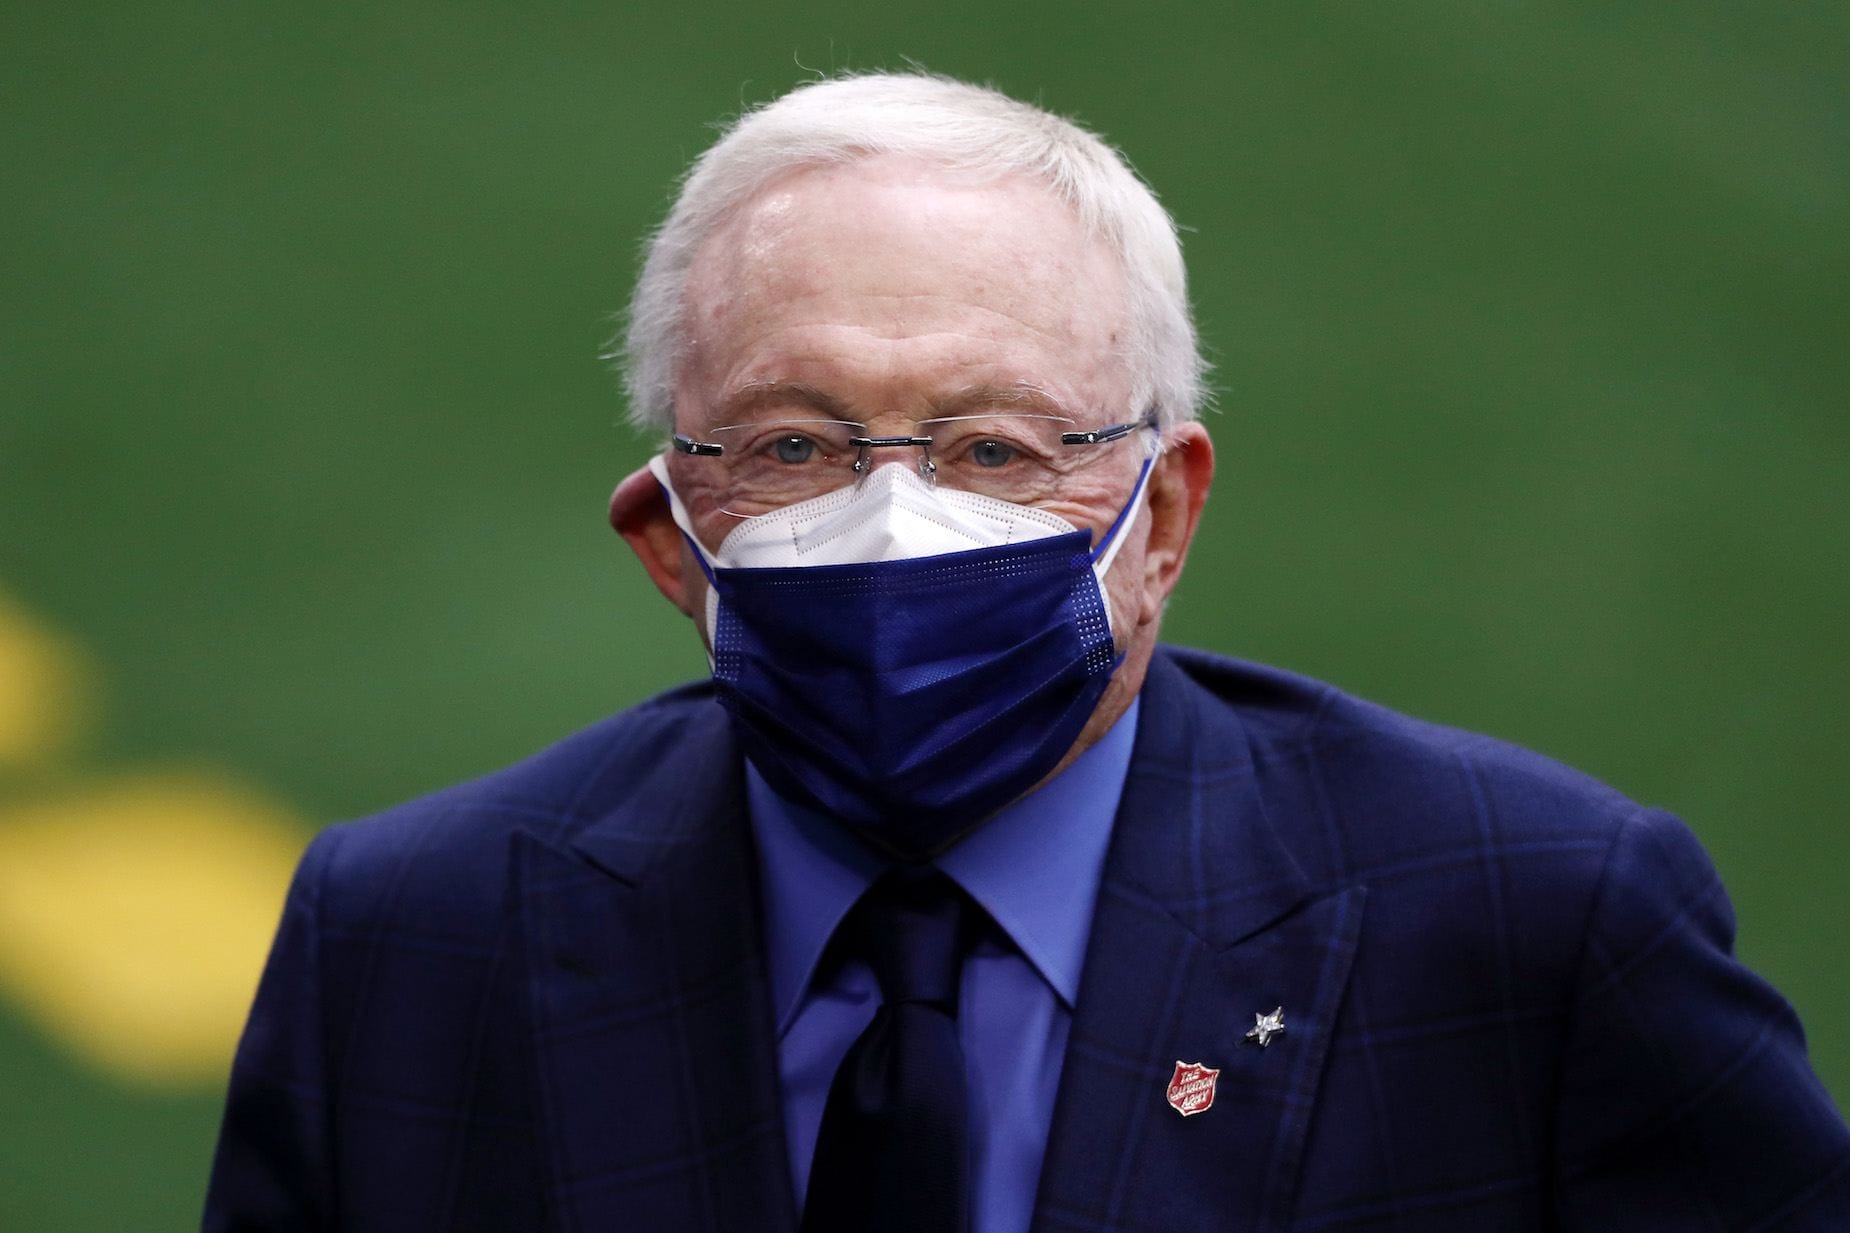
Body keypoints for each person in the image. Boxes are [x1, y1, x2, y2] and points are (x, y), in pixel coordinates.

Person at [204, 72, 1849, 1232]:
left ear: (1163, 514)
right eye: (791, 448)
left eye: (996, 449)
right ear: (667, 540)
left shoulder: (1524, 921)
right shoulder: (414, 942)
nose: (895, 518)